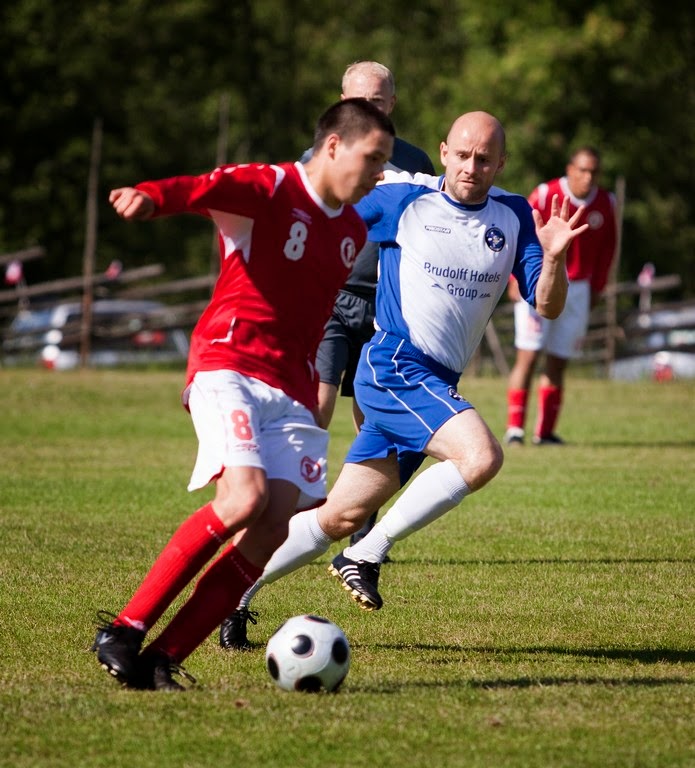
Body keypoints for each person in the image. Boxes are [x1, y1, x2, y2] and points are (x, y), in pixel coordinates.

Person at [203, 110, 588, 630]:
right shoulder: (403, 199)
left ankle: (232, 593)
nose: (472, 167)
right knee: (481, 457)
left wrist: (557, 259)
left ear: (501, 163)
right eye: (463, 154)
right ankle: (367, 554)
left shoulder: (517, 216)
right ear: (444, 151)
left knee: (336, 517)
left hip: (434, 385)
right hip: (395, 369)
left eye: (485, 159)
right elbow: (320, 211)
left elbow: (548, 306)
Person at [90, 98, 395, 691]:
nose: (378, 173)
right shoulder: (272, 186)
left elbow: (309, 317)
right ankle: (125, 630)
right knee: (244, 499)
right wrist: (151, 196)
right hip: (229, 360)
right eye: (372, 158)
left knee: (276, 523)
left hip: (289, 386)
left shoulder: (353, 229)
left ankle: (159, 660)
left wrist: (308, 392)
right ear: (334, 146)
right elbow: (201, 188)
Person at [218, 61, 435, 650]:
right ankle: (246, 574)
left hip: (389, 315)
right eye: (361, 99)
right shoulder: (319, 159)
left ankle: (356, 531)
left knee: (389, 437)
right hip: (331, 309)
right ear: (342, 102)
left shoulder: (417, 162)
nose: (373, 108)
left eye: (382, 101)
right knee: (307, 433)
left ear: (393, 103)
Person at [504, 146, 617, 445]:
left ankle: (545, 432)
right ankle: (515, 429)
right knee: (527, 356)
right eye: (582, 169)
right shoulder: (545, 194)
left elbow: (608, 250)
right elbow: (520, 233)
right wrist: (516, 278)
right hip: (540, 282)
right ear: (570, 169)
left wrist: (598, 287)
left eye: (593, 171)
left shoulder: (607, 202)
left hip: (579, 290)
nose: (588, 176)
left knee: (558, 361)